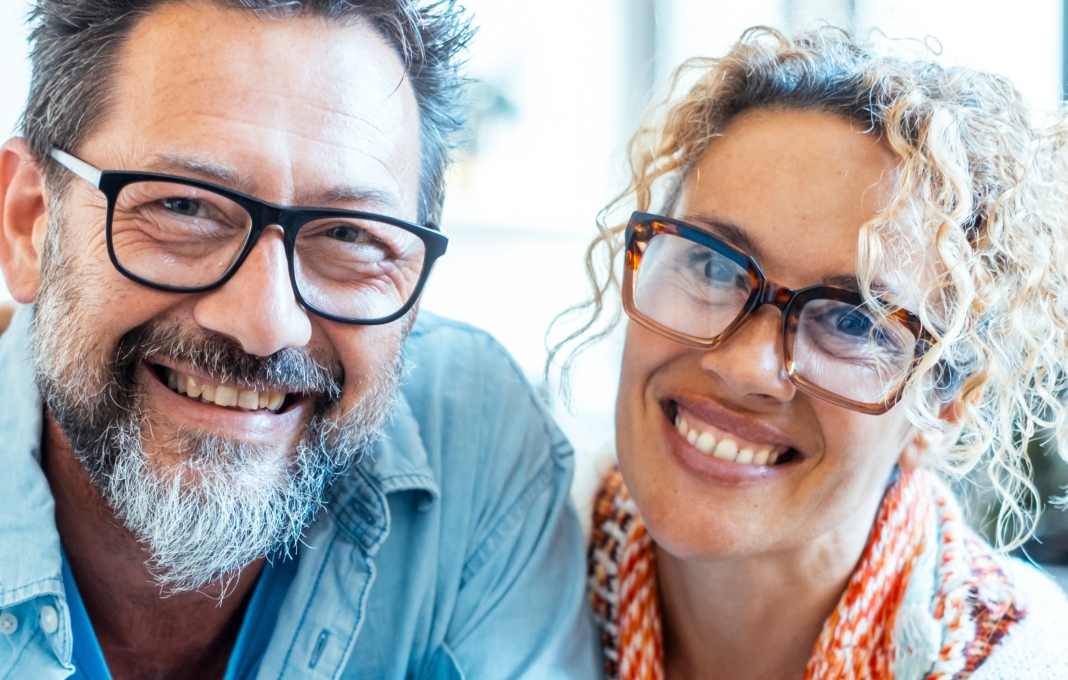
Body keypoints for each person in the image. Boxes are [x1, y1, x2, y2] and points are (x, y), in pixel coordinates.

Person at [0, 1, 600, 678]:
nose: (266, 324)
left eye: (349, 235)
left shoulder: (477, 439)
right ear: (29, 223)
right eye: (183, 206)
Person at [562, 27, 1068, 679]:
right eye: (713, 267)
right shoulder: (509, 551)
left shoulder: (1027, 663)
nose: (745, 367)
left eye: (854, 323)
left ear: (943, 409)